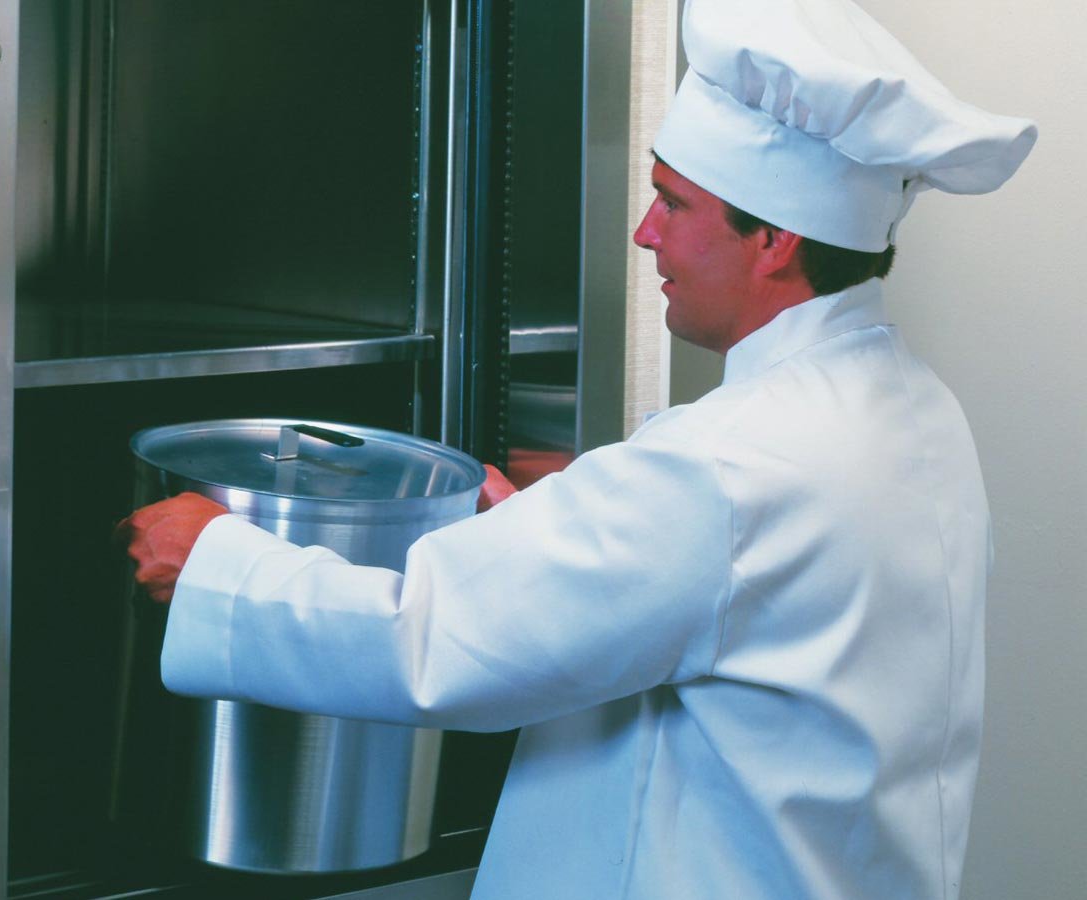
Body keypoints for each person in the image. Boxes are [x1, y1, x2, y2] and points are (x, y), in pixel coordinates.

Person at [118, 1, 1036, 897]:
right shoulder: (915, 414)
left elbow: (433, 643)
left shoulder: (730, 466)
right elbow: (719, 606)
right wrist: (537, 535)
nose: (646, 233)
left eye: (674, 204)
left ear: (776, 239)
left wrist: (219, 567)